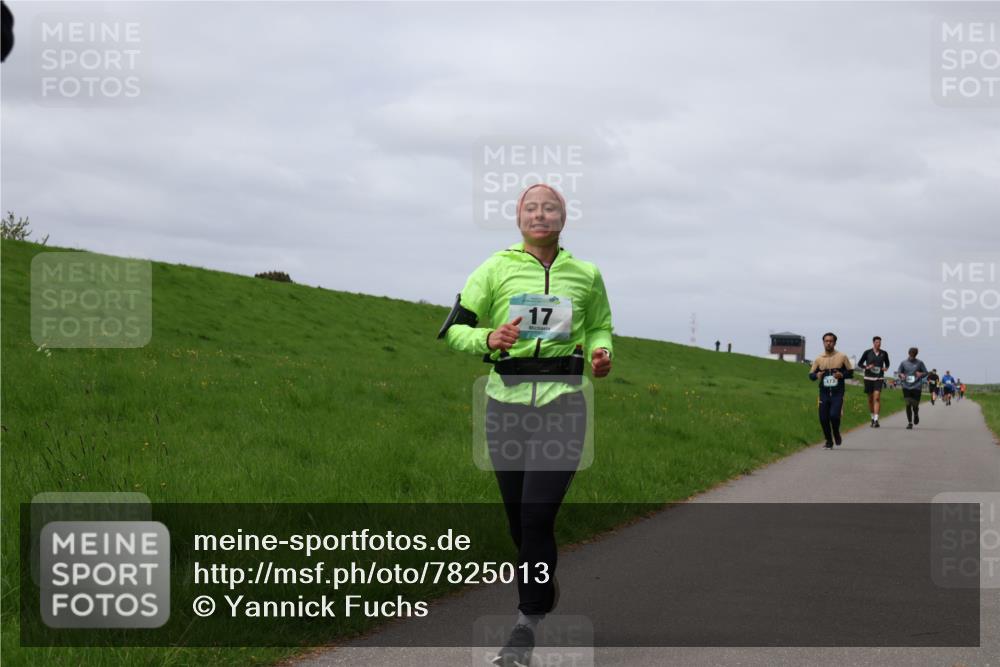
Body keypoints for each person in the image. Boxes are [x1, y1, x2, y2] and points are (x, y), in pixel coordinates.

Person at [439, 183, 613, 667]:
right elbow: (454, 329)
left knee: (537, 514)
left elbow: (600, 325)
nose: (541, 214)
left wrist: (602, 353)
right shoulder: (495, 268)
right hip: (506, 404)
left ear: (564, 217)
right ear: (518, 217)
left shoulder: (586, 274)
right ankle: (541, 578)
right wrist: (488, 338)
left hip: (564, 403)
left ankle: (525, 623)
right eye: (531, 207)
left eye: (550, 207)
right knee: (518, 519)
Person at [808, 332, 854, 448]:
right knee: (823, 418)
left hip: (838, 393)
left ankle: (836, 433)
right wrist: (817, 375)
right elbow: (811, 375)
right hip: (823, 393)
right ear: (823, 342)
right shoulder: (819, 359)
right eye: (826, 341)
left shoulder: (842, 356)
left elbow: (850, 372)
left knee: (834, 415)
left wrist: (841, 375)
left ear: (834, 342)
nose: (828, 343)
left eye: (831, 341)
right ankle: (829, 441)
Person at [858, 336, 890, 427]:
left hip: (879, 378)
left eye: (880, 342)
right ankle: (872, 417)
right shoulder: (867, 352)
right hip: (868, 378)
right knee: (870, 399)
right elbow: (860, 363)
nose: (878, 344)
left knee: (877, 398)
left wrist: (886, 368)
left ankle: (876, 420)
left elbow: (887, 363)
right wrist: (867, 367)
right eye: (877, 342)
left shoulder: (884, 353)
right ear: (873, 343)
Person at [897, 348, 928, 429]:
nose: (912, 357)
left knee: (915, 405)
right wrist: (901, 375)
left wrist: (921, 374)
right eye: (911, 355)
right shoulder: (903, 363)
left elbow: (926, 372)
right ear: (908, 353)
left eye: (914, 356)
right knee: (908, 404)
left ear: (916, 355)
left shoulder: (920, 363)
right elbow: (899, 372)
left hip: (916, 386)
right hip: (906, 386)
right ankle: (910, 423)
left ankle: (916, 414)